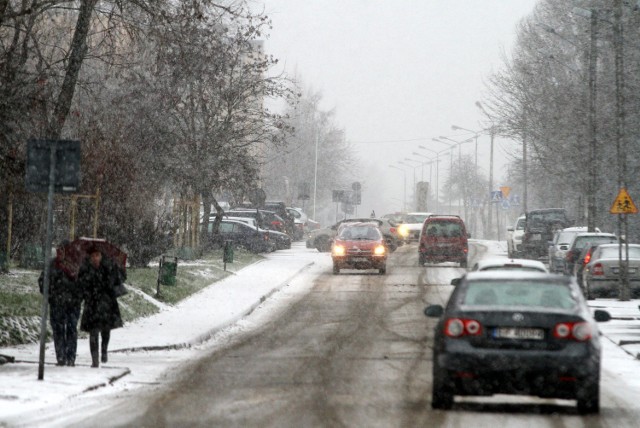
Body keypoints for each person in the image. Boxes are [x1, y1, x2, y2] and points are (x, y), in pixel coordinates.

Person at [77, 246, 123, 368]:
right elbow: (81, 285)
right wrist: (87, 292)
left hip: (106, 304)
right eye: (93, 256)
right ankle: (95, 359)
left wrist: (112, 272)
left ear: (101, 256)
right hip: (92, 305)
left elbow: (115, 281)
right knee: (93, 333)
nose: (95, 258)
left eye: (97, 255)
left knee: (106, 331)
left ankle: (104, 350)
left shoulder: (108, 267)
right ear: (90, 257)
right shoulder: (85, 269)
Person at [38, 240, 83, 366]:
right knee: (58, 330)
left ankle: (70, 357)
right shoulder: (52, 265)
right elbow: (42, 281)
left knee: (71, 329)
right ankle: (61, 357)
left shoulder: (75, 265)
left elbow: (82, 285)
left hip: (72, 304)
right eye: (59, 249)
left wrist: (76, 294)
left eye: (63, 250)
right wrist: (50, 293)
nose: (60, 252)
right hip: (57, 303)